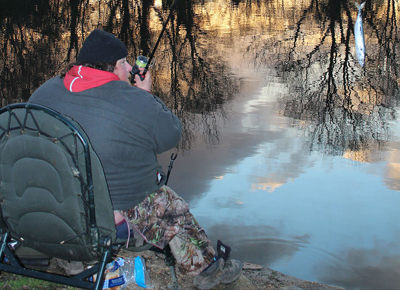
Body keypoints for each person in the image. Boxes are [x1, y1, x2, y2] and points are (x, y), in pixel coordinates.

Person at [28, 28, 242, 289]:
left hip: (41, 210)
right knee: (166, 205)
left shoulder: (44, 91)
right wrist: (144, 95)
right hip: (98, 224)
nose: (129, 68)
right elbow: (171, 135)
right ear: (110, 68)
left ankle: (74, 260)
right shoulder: (133, 100)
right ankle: (209, 270)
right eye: (123, 62)